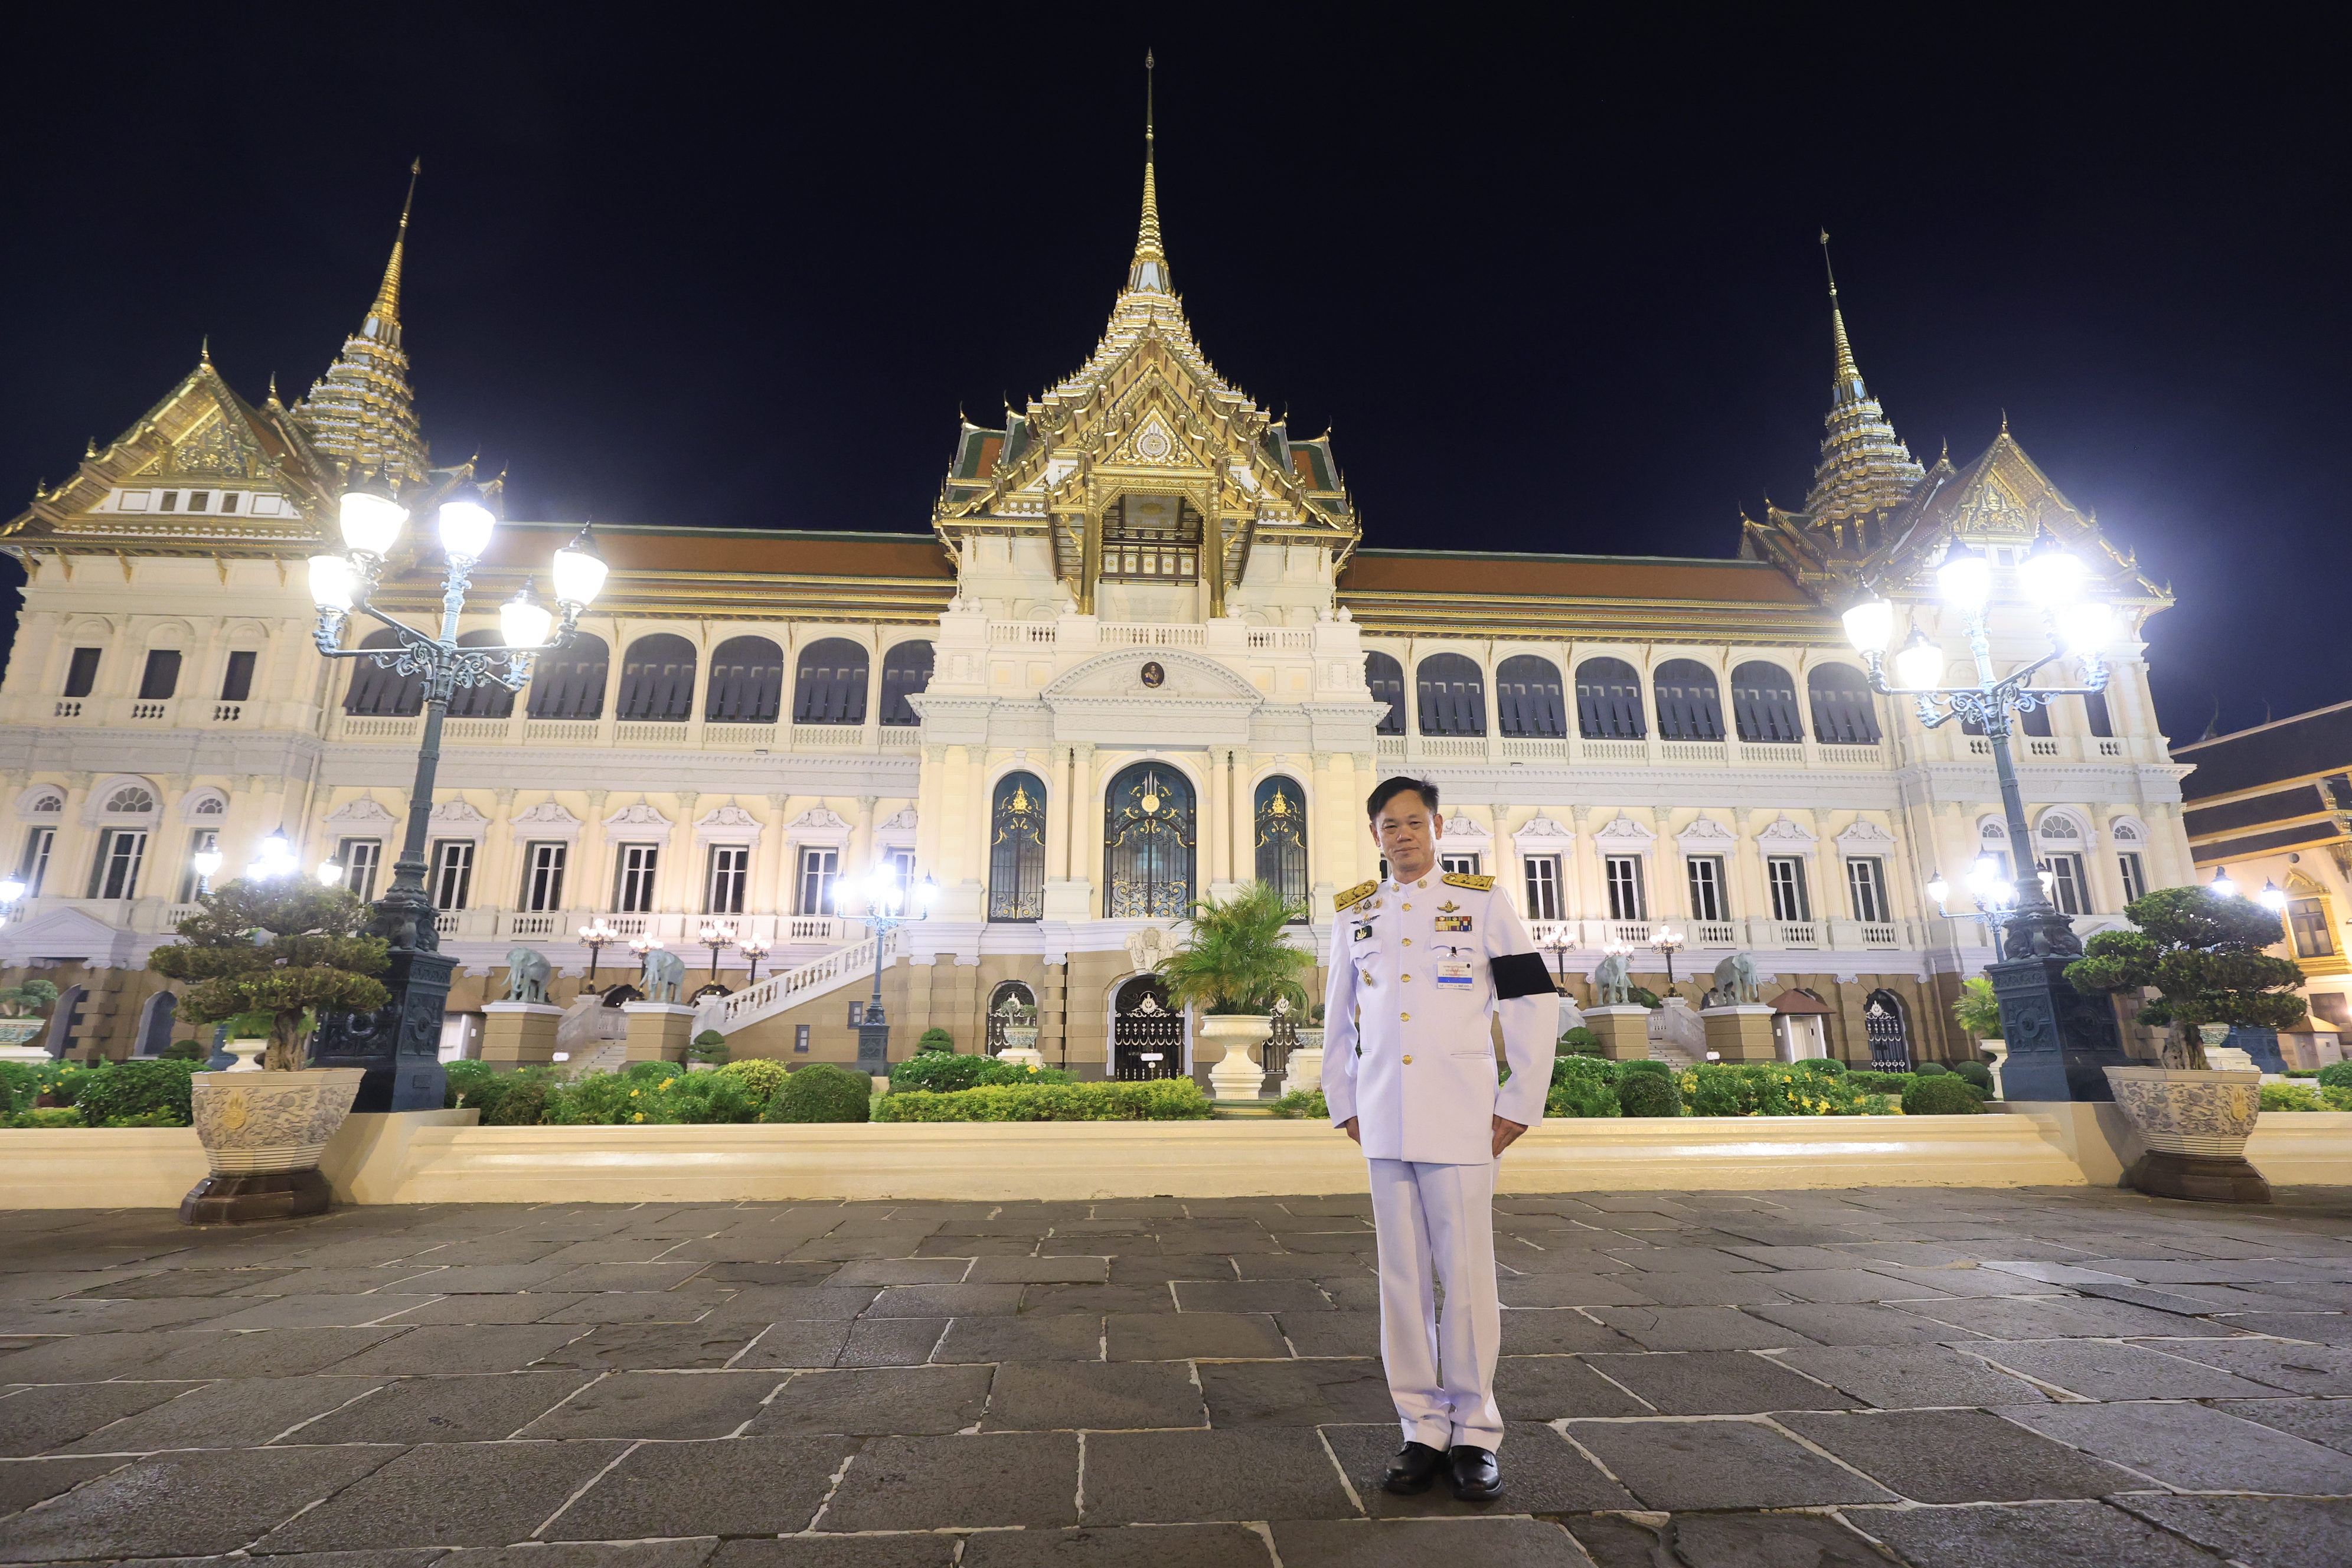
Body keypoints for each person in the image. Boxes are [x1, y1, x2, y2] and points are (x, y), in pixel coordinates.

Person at [1324, 775, 1557, 1502]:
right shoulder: (1355, 913)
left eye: (1413, 823)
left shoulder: (1480, 902)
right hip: (1386, 1118)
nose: (1402, 835)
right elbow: (1338, 1017)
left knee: (1466, 1280)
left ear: (1437, 826)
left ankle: (1475, 1431)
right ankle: (1421, 1426)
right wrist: (1345, 1102)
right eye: (1389, 826)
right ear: (1375, 836)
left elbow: (1531, 998)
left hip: (1461, 1116)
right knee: (1400, 1281)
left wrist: (1520, 1099)